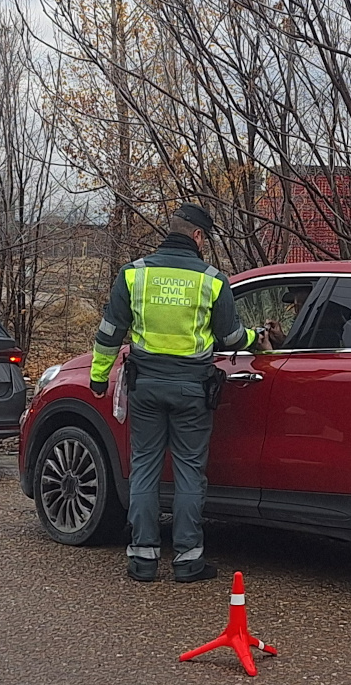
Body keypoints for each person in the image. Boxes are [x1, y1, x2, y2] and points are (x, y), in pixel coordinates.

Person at [91, 204, 267, 583]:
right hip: (191, 389)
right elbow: (231, 338)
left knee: (145, 467)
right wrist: (259, 339)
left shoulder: (133, 274)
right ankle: (187, 561)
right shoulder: (211, 280)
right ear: (199, 237)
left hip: (146, 385)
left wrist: (98, 378)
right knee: (189, 471)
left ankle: (142, 558)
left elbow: (109, 333)